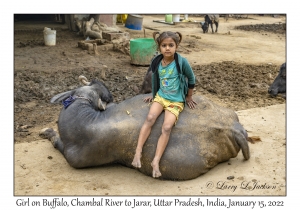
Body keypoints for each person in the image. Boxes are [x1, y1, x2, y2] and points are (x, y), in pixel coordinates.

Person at [131, 31, 197, 178]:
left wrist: (189, 96)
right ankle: (138, 152)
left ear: (177, 46)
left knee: (166, 127)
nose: (167, 48)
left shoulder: (181, 62)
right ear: (159, 47)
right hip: (161, 97)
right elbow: (156, 80)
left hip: (175, 100)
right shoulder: (156, 62)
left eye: (171, 45)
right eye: (164, 45)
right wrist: (153, 95)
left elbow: (191, 78)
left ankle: (156, 160)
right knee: (149, 118)